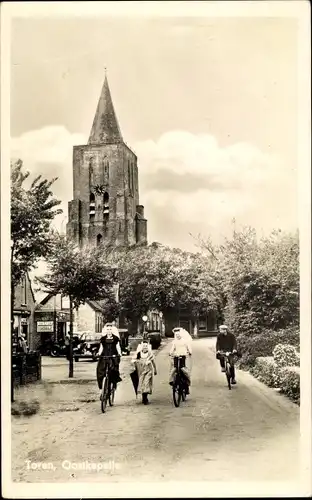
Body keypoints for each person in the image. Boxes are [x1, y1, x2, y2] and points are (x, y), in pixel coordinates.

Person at [96, 323, 122, 398]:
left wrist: (119, 354)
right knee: (100, 371)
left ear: (112, 330)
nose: (109, 331)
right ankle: (102, 390)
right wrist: (99, 353)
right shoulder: (103, 339)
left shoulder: (115, 338)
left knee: (113, 371)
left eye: (110, 329)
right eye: (107, 329)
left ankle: (112, 386)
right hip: (104, 356)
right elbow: (101, 347)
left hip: (113, 356)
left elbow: (118, 347)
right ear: (105, 330)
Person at [131, 340, 157, 405]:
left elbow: (153, 362)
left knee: (146, 382)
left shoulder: (150, 354)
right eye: (143, 346)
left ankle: (145, 398)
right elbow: (133, 359)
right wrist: (134, 362)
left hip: (148, 370)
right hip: (141, 370)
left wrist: (155, 369)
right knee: (142, 383)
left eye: (146, 346)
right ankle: (144, 398)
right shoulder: (139, 353)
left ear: (148, 347)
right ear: (141, 347)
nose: (145, 347)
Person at [169, 327, 192, 393]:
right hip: (176, 356)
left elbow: (189, 348)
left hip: (183, 356)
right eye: (176, 335)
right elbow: (172, 349)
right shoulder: (174, 342)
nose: (177, 336)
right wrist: (170, 353)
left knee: (184, 370)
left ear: (181, 335)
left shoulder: (185, 341)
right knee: (174, 368)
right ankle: (172, 381)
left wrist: (190, 352)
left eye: (178, 334)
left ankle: (186, 385)